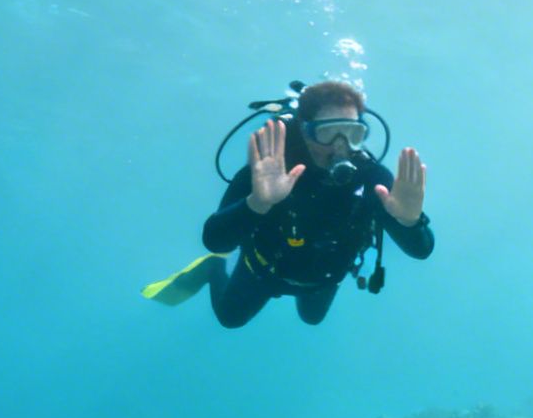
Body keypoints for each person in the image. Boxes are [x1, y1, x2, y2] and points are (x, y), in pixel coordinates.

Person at [143, 80, 433, 326]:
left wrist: (409, 222)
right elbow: (216, 242)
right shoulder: (268, 171)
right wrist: (257, 202)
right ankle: (213, 271)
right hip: (262, 270)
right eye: (327, 132)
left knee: (312, 319)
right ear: (304, 130)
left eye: (353, 133)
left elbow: (422, 250)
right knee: (230, 319)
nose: (340, 145)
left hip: (324, 278)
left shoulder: (372, 179)